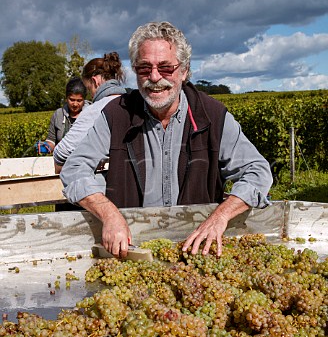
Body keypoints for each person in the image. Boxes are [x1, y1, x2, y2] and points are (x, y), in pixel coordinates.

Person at [60, 21, 273, 258]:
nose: (154, 77)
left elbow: (258, 171)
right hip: (132, 252)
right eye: (144, 68)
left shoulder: (212, 117)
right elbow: (74, 169)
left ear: (184, 71)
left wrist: (220, 217)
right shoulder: (116, 116)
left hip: (197, 251)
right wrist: (109, 214)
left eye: (165, 68)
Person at [53, 52, 126, 173]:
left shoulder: (96, 109)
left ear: (95, 81)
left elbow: (62, 152)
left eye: (88, 88)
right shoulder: (134, 103)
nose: (91, 95)